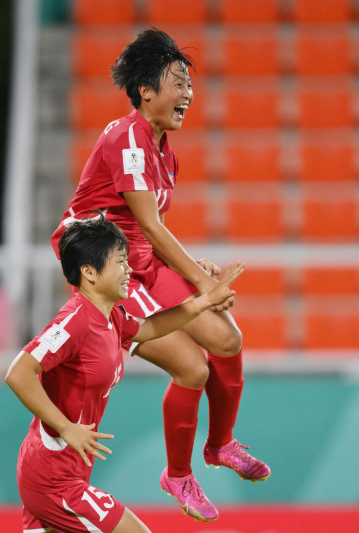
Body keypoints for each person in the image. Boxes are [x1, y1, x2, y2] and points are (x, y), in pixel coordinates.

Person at [51, 29, 270, 522]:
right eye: (178, 83)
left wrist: (197, 269)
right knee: (192, 367)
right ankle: (177, 474)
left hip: (142, 259)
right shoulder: (126, 137)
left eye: (190, 85)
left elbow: (153, 228)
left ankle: (220, 445)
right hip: (107, 271)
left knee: (228, 340)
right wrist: (204, 283)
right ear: (146, 90)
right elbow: (146, 224)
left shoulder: (164, 150)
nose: (188, 94)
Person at [6, 217, 243, 533]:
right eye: (120, 262)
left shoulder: (111, 318)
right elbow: (19, 372)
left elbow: (153, 327)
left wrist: (203, 302)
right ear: (89, 273)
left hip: (67, 471)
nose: (129, 271)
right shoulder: (74, 322)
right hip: (53, 479)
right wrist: (66, 427)